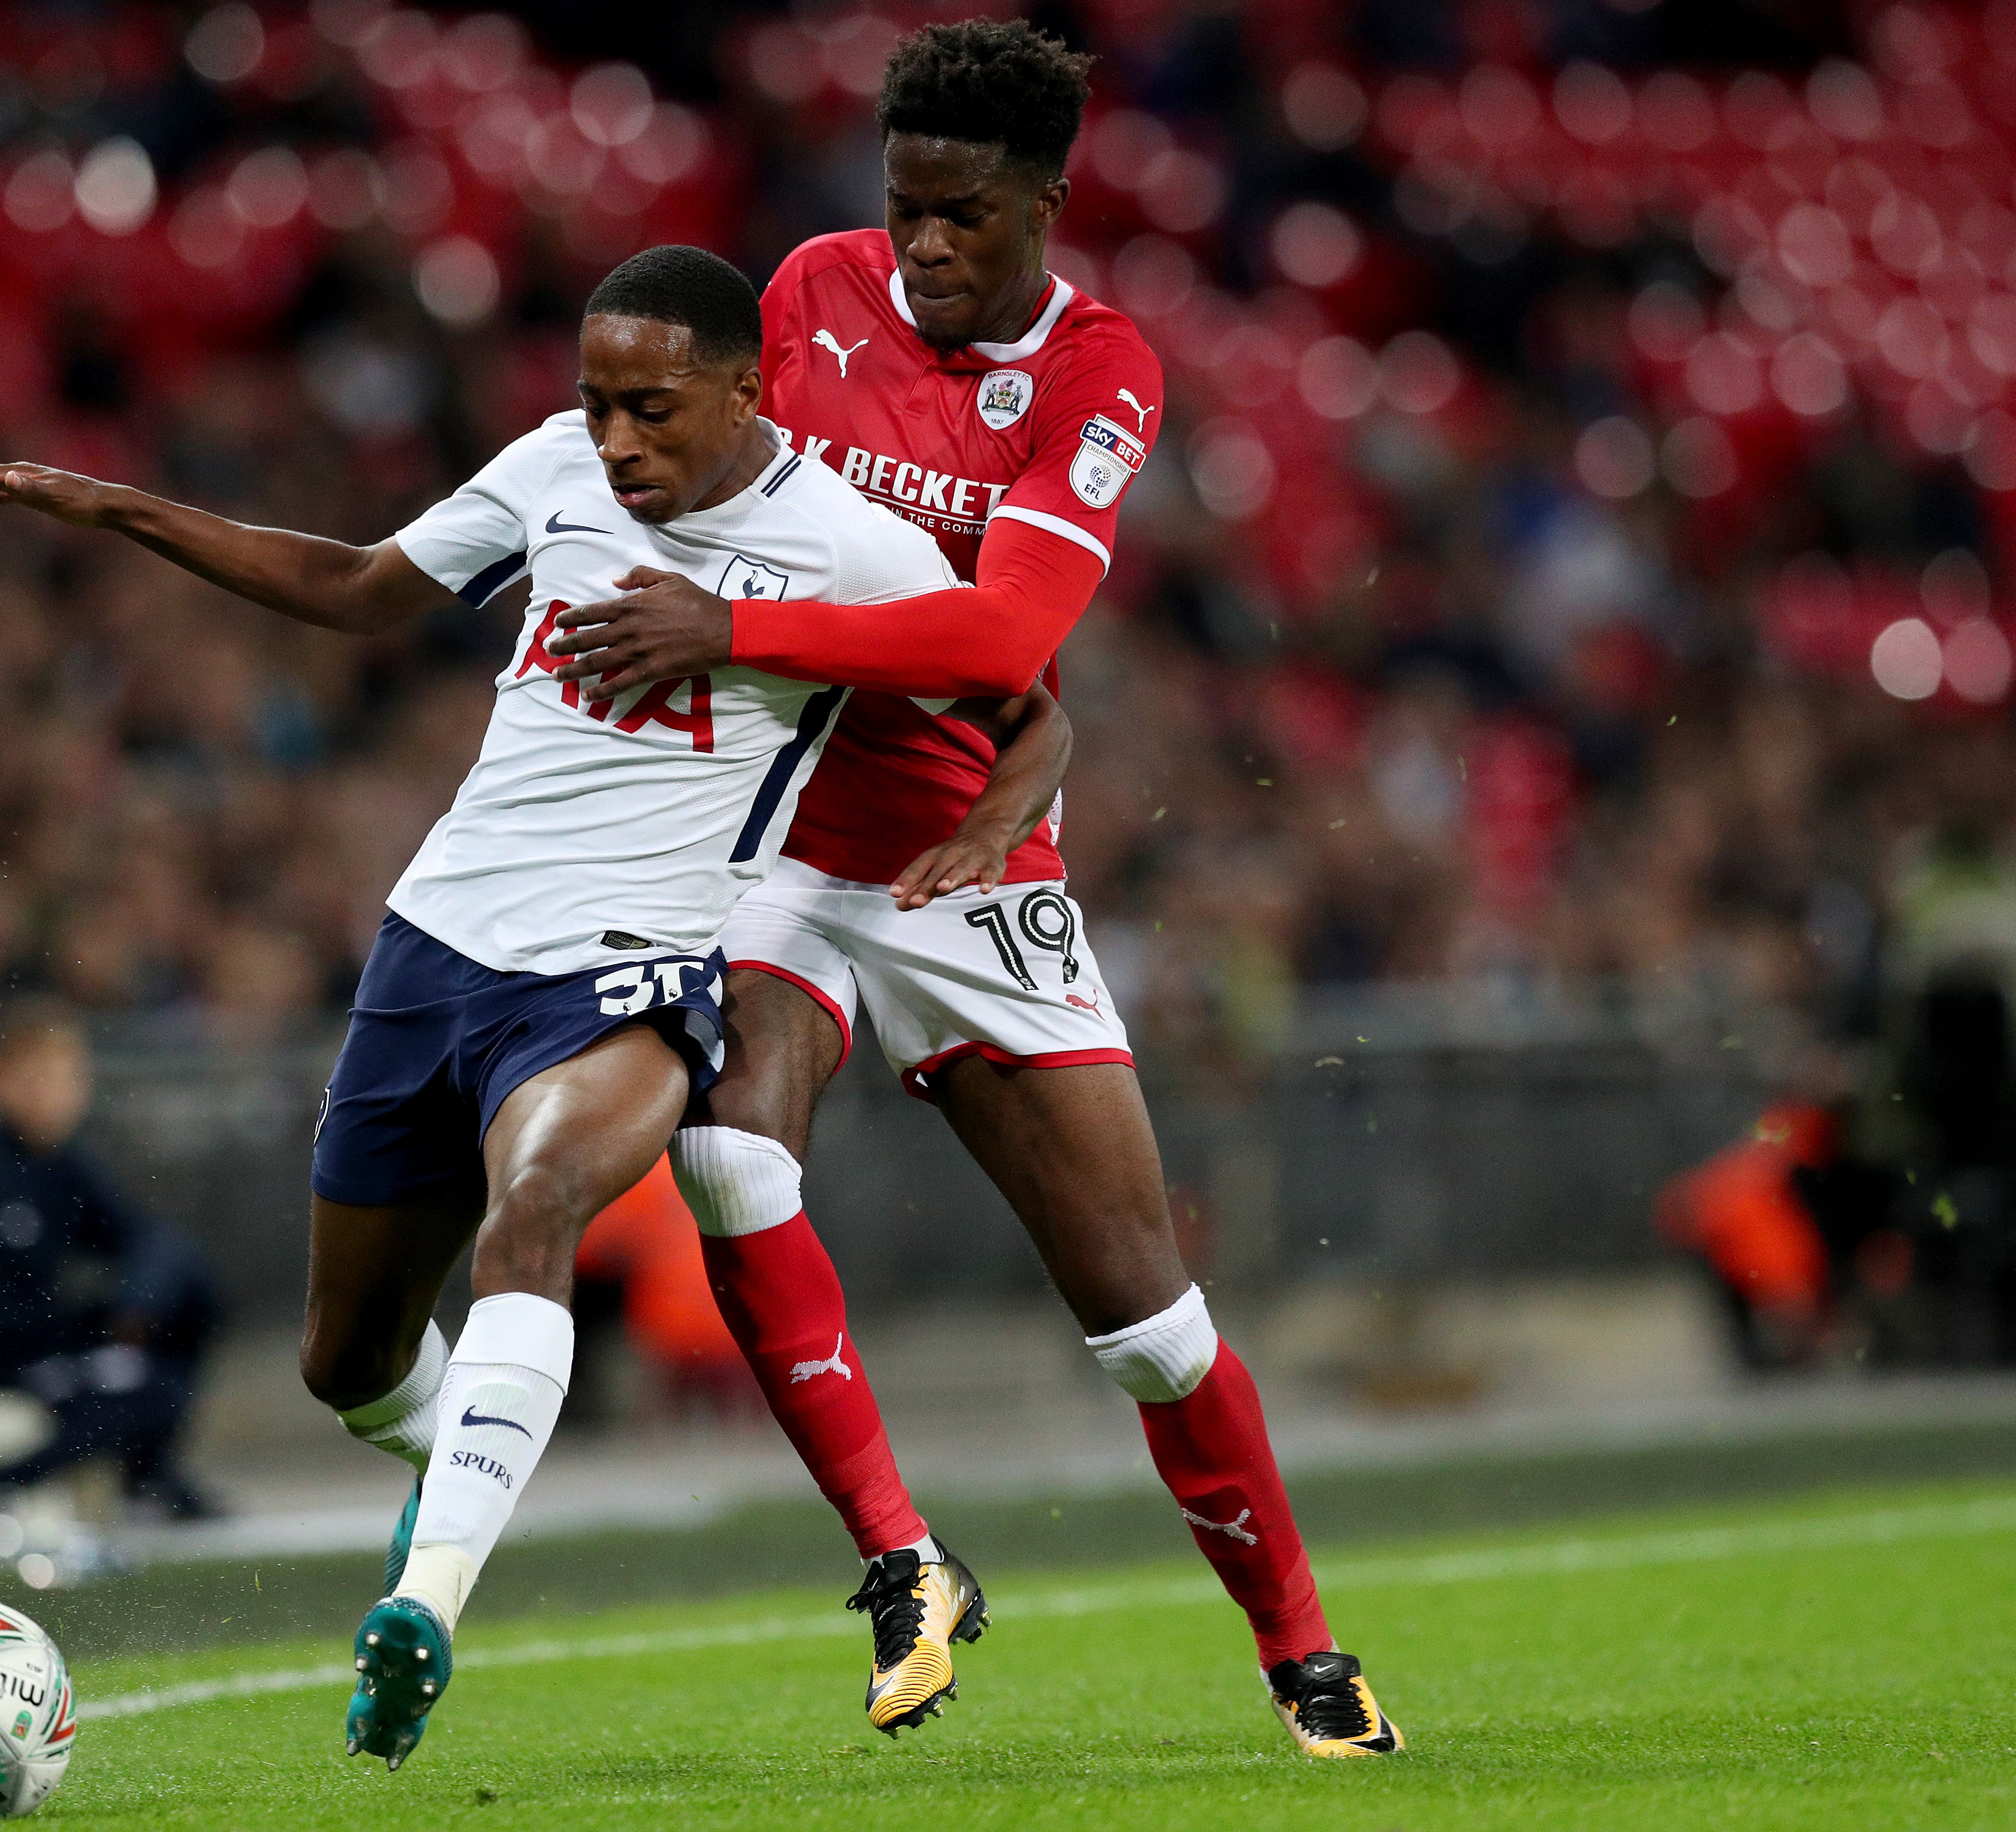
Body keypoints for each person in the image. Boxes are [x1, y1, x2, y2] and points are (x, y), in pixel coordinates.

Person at [0, 245, 1052, 1769]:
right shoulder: (552, 471)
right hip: (433, 952)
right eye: (597, 407)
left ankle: (426, 1606)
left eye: (651, 408)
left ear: (746, 384)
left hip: (631, 968)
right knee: (346, 1361)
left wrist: (989, 833)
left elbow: (1028, 698)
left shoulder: (848, 546)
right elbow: (356, 586)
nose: (619, 442)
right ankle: (447, 1468)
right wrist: (114, 504)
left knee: (537, 1214)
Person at [545, 22, 1401, 1757]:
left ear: (1047, 203)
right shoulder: (803, 293)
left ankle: (1304, 1650)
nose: (925, 244)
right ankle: (902, 1554)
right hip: (782, 835)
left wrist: (755, 636)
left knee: (1148, 1323)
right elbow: (705, 498)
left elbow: (1006, 633)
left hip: (969, 859)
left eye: (964, 214)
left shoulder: (1103, 371)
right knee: (726, 1144)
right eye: (904, 205)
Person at [0, 1002, 223, 1524]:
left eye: (65, 1078)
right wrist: (56, 1336)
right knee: (143, 1396)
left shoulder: (63, 1162)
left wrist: (135, 1303)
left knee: (193, 1299)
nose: (53, 1094)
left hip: (46, 1341)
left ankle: (145, 1477)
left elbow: (149, 1239)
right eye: (36, 1077)